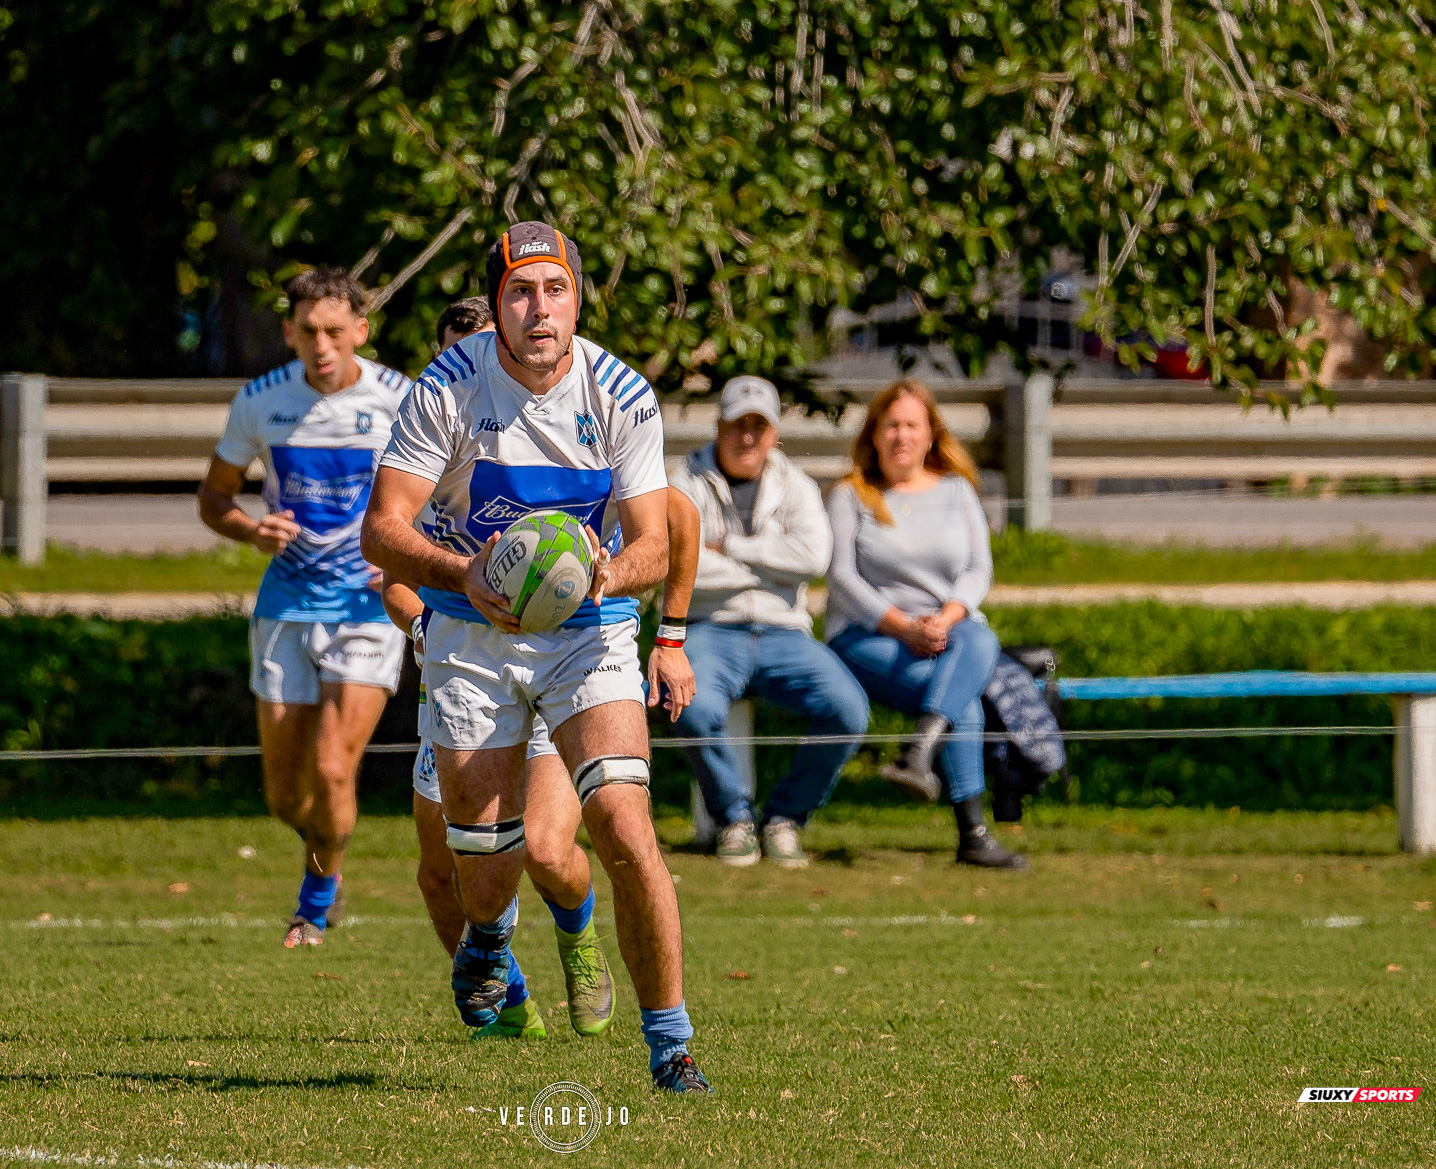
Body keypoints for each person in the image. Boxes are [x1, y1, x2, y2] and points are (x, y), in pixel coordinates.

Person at [361, 222, 712, 1094]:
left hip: (586, 636)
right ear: (499, 304)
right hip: (467, 634)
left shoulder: (621, 392)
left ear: (578, 296)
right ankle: (488, 939)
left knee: (625, 826)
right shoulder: (447, 385)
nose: (539, 309)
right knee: (482, 866)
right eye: (521, 292)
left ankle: (672, 1046)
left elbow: (655, 543)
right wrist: (464, 571)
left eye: (554, 289)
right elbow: (383, 528)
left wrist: (607, 575)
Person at [195, 267, 416, 947]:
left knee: (331, 768)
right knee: (286, 796)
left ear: (360, 330)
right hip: (287, 604)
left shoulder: (402, 399)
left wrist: (409, 555)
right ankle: (326, 848)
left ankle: (315, 900)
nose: (322, 345)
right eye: (308, 331)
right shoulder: (261, 400)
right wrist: (249, 529)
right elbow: (214, 499)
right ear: (289, 332)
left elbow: (445, 494)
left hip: (366, 606)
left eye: (334, 331)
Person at [824, 379, 1027, 869]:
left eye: (912, 425)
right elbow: (841, 577)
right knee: (963, 701)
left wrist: (945, 617)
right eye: (890, 425)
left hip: (949, 633)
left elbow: (980, 569)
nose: (901, 436)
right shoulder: (851, 495)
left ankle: (920, 749)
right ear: (873, 435)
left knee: (979, 638)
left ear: (931, 435)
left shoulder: (958, 491)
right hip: (869, 635)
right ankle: (972, 834)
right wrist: (903, 627)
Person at [668, 376, 869, 868]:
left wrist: (730, 550)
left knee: (848, 711)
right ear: (719, 426)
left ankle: (785, 818)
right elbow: (679, 566)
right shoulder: (681, 482)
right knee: (689, 707)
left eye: (760, 427)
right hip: (708, 628)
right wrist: (767, 574)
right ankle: (734, 819)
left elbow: (813, 557)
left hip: (785, 634)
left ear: (775, 433)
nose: (748, 437)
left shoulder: (796, 486)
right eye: (738, 425)